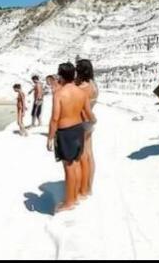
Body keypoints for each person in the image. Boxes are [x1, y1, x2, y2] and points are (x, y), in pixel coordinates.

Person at [48, 62, 95, 213]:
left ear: (61, 76)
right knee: (75, 163)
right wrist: (94, 122)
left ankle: (69, 202)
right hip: (78, 129)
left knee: (68, 167)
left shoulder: (59, 94)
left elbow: (55, 118)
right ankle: (75, 196)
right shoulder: (81, 93)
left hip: (65, 132)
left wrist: (49, 137)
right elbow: (88, 113)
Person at [74, 59, 98, 199]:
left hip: (81, 122)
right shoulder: (93, 85)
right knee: (90, 155)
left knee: (82, 156)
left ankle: (82, 189)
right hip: (89, 122)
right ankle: (89, 187)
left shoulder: (82, 88)